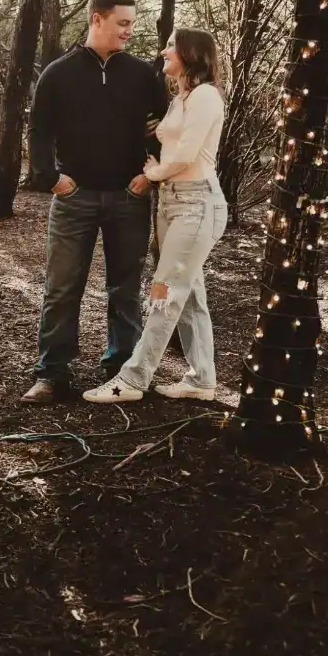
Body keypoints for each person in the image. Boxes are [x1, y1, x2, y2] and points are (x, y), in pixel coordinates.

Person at [21, 0, 169, 404]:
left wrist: (150, 174)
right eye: (122, 23)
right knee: (62, 287)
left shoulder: (142, 74)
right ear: (96, 19)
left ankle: (122, 369)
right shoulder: (58, 73)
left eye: (132, 24)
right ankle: (52, 373)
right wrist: (50, 177)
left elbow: (160, 130)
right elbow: (39, 131)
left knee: (125, 288)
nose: (128, 32)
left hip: (128, 197)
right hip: (74, 199)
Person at [82, 27, 227, 404]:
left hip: (197, 204)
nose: (163, 51)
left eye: (171, 47)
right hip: (172, 204)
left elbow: (186, 154)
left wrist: (153, 172)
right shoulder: (182, 96)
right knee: (190, 295)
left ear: (190, 54)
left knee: (164, 293)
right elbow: (172, 140)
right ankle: (201, 379)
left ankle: (132, 379)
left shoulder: (206, 96)